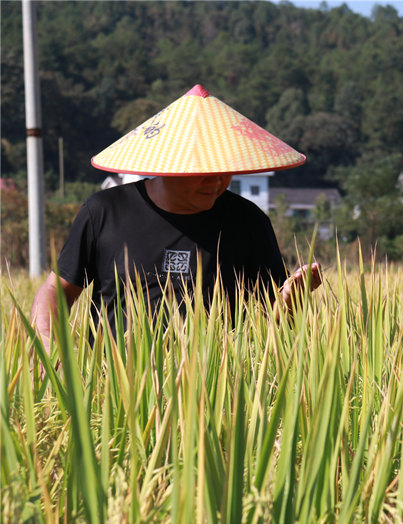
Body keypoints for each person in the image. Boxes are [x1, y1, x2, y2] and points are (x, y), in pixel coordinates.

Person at [32, 84, 322, 349]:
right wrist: (46, 340)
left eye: (224, 170)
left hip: (213, 392)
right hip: (112, 391)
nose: (215, 182)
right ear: (167, 166)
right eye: (202, 172)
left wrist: (289, 303)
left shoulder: (248, 221)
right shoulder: (105, 211)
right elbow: (58, 289)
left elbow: (269, 325)